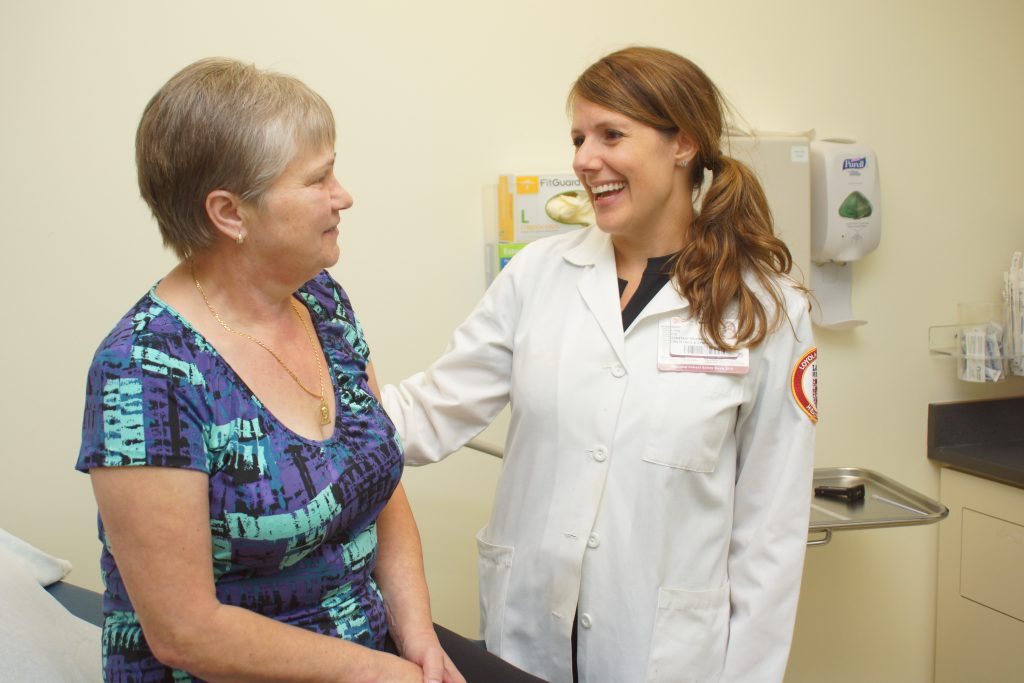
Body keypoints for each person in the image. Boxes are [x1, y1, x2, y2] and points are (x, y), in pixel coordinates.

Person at [76, 58, 545, 683]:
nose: (343, 196)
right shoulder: (144, 373)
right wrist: (380, 674)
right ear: (230, 214)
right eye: (319, 179)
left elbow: (380, 480)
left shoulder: (320, 300)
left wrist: (419, 638)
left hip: (371, 644)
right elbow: (186, 633)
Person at [382, 46, 817, 683]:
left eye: (612, 134)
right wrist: (310, 404)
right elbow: (430, 412)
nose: (585, 159)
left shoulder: (768, 307)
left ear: (683, 144)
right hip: (526, 635)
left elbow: (771, 533)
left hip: (666, 651)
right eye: (580, 137)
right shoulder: (539, 274)